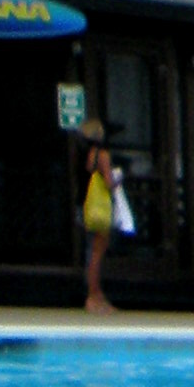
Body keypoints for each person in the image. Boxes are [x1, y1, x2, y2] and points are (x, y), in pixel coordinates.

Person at [77, 118, 114, 316]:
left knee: (90, 251)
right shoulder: (102, 155)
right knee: (97, 253)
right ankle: (93, 297)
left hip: (84, 206)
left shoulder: (83, 155)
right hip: (98, 208)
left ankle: (96, 295)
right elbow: (108, 182)